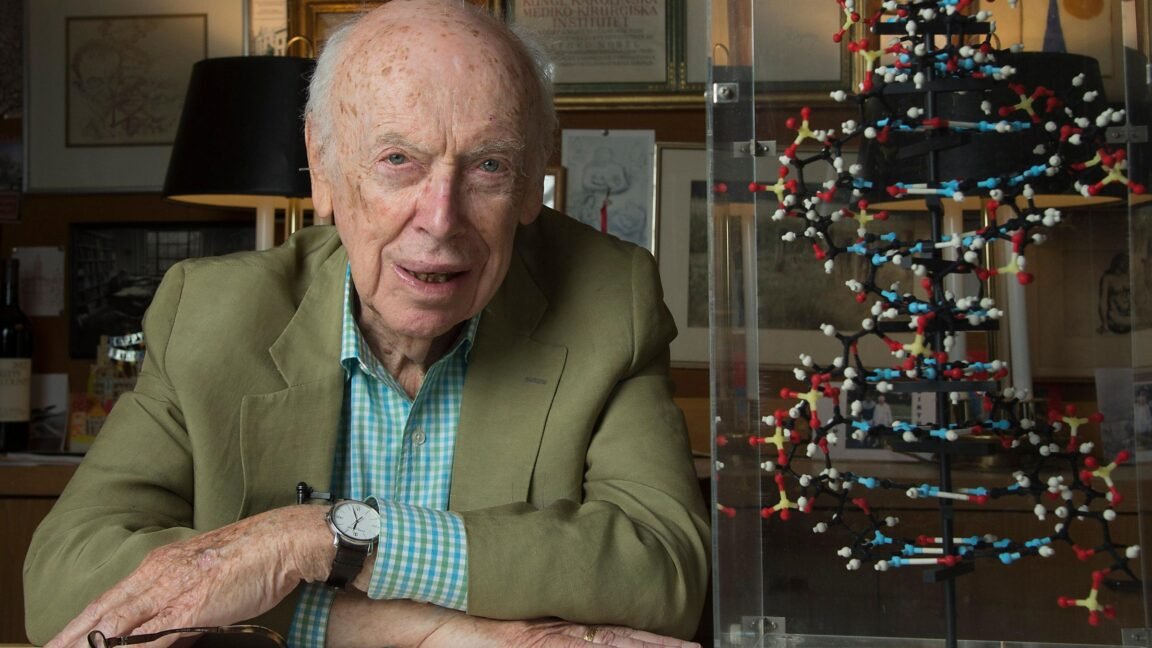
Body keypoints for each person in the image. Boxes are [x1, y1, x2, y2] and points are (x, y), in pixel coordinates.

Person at [23, 2, 709, 646]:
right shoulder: (210, 311)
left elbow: (666, 572)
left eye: (489, 166)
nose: (440, 219)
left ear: (531, 184)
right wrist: (422, 632)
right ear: (322, 168)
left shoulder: (607, 299)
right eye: (397, 160)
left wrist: (315, 539)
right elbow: (61, 581)